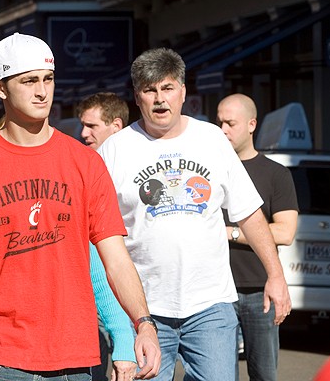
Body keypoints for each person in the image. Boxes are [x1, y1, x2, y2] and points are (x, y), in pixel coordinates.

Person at [0, 32, 161, 381]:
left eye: (48, 79)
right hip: (0, 359)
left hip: (75, 358)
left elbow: (115, 259)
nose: (42, 91)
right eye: (29, 81)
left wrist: (143, 323)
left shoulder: (85, 163)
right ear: (1, 89)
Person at [98, 47, 291, 381]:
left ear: (183, 92)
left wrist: (275, 275)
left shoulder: (211, 139)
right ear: (137, 96)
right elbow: (97, 233)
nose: (160, 99)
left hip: (210, 308)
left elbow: (250, 213)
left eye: (168, 87)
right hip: (144, 311)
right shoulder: (114, 150)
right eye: (150, 90)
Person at [217, 93, 298, 381]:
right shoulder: (212, 171)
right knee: (217, 375)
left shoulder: (276, 174)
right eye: (220, 123)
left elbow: (286, 232)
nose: (223, 130)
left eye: (230, 123)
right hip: (215, 292)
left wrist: (232, 233)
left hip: (258, 292)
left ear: (252, 124)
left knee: (263, 375)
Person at [77, 92, 136, 380]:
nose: (83, 133)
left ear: (116, 126)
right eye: (82, 125)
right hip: (95, 292)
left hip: (140, 291)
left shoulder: (135, 167)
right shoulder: (80, 167)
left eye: (91, 126)